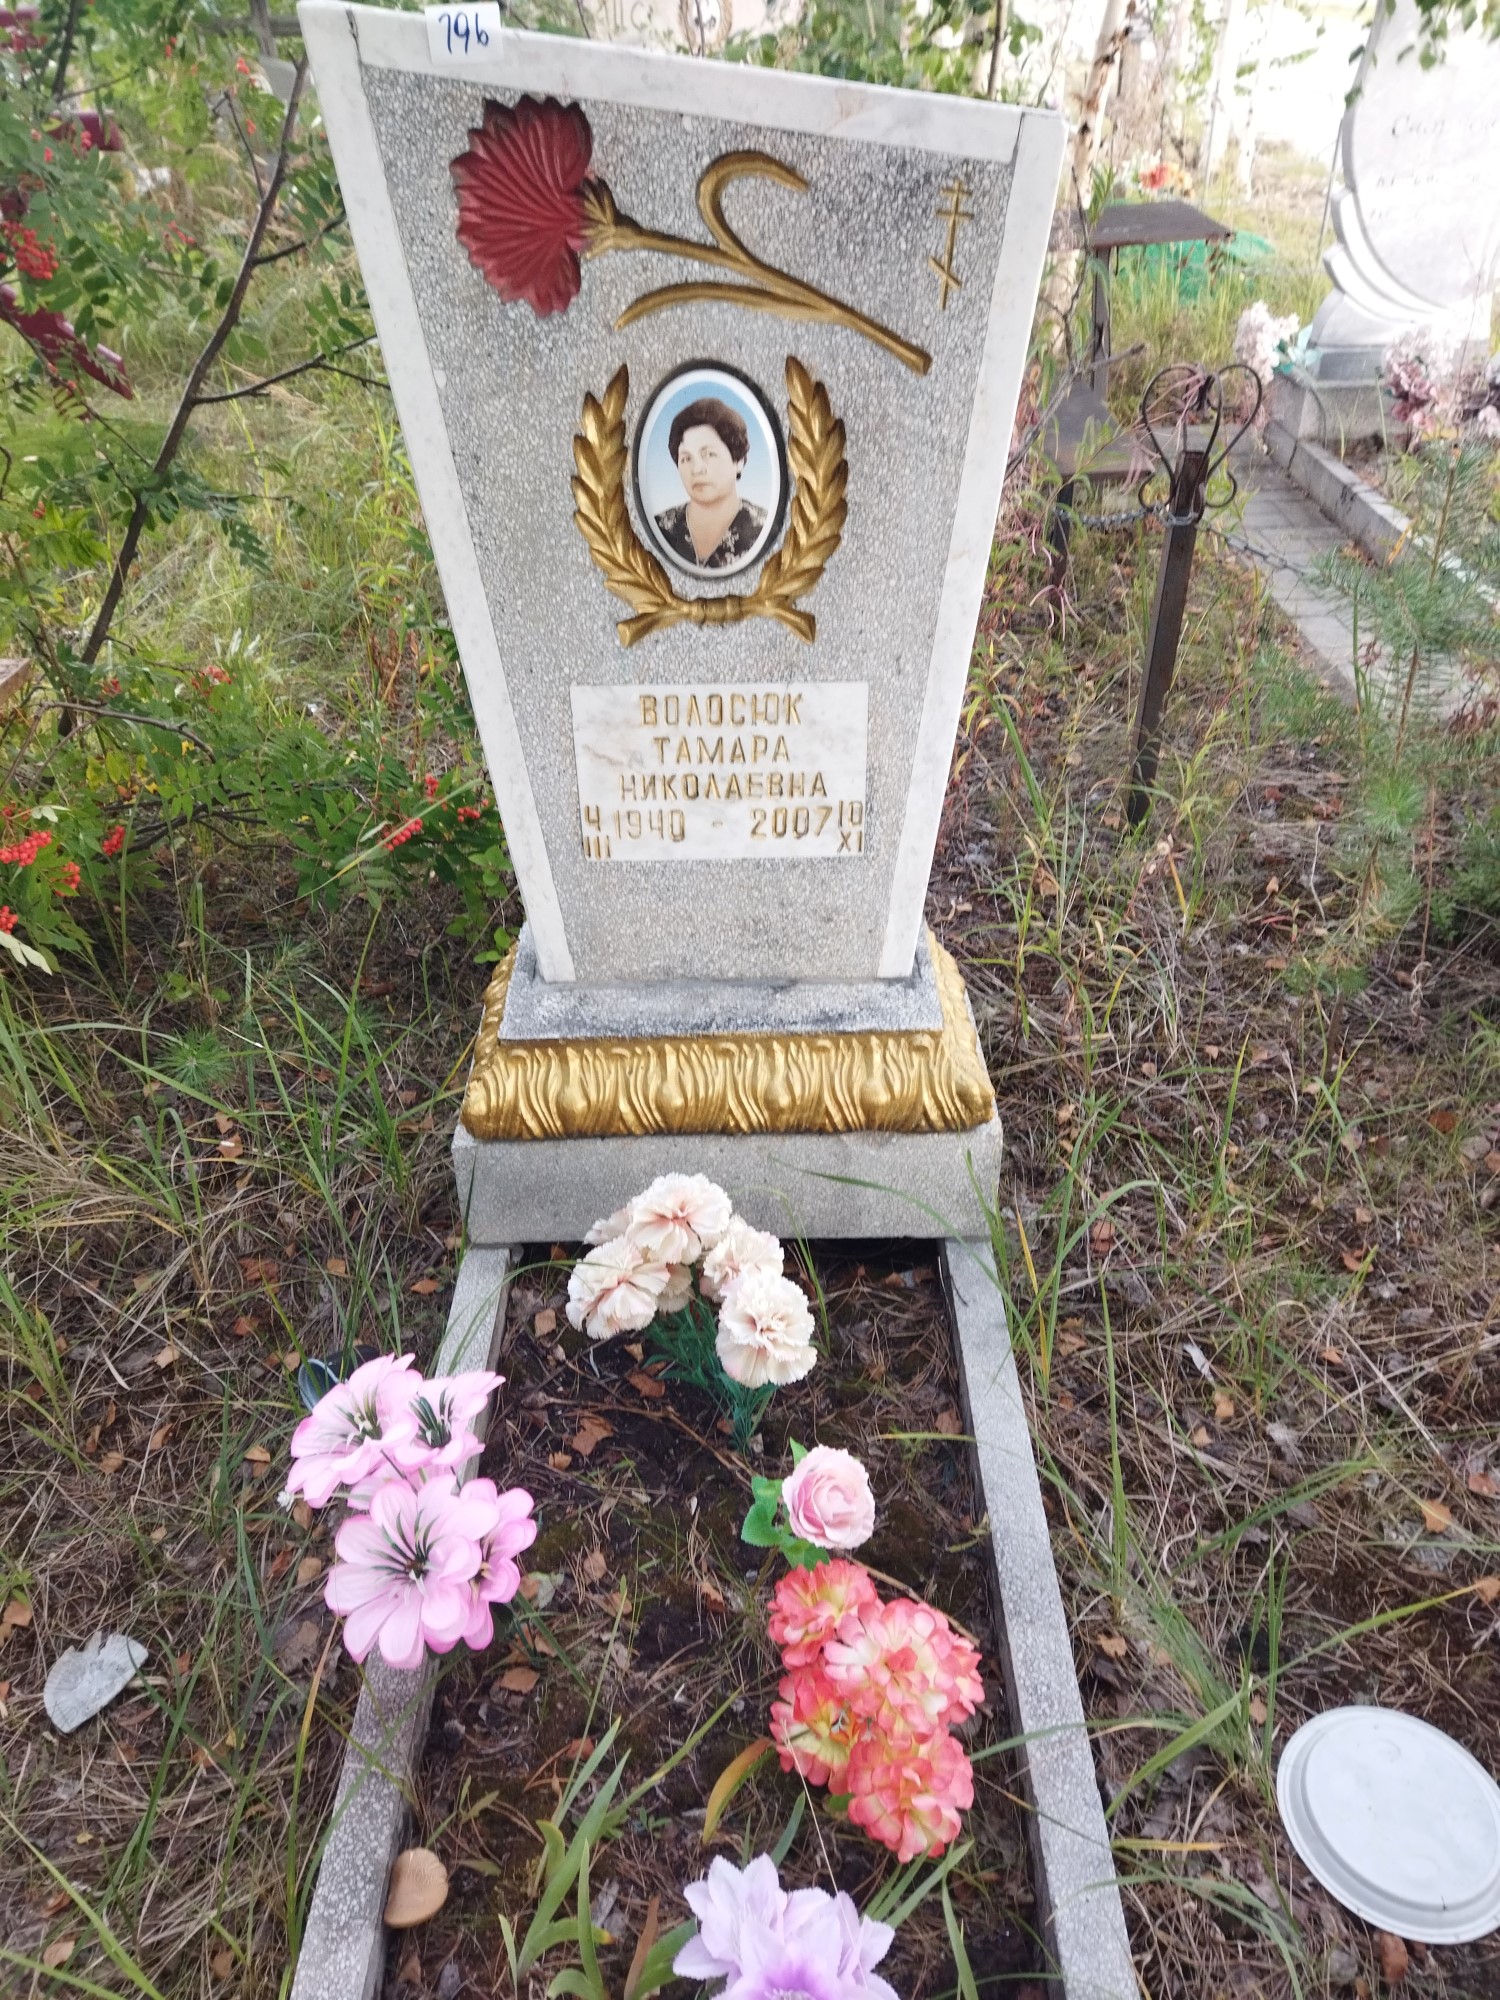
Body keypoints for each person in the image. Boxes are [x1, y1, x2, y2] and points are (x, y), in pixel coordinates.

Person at [653, 397, 767, 571]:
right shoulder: (660, 528)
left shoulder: (763, 528)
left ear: (738, 461)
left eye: (708, 454)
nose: (696, 469)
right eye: (686, 458)